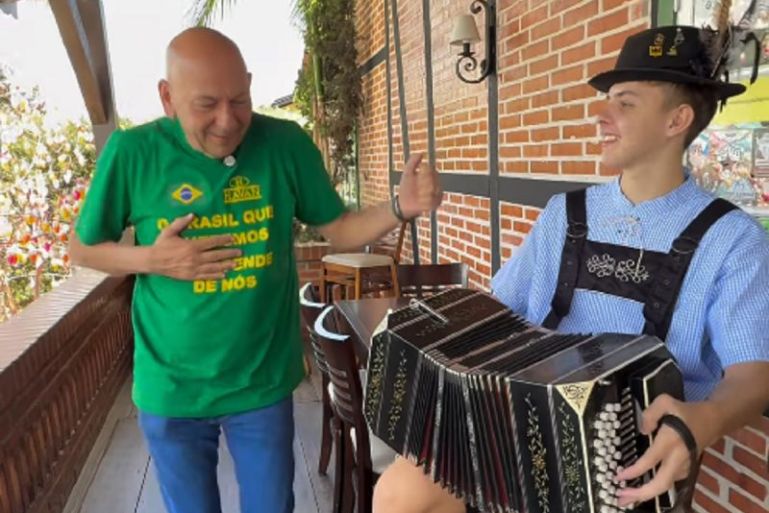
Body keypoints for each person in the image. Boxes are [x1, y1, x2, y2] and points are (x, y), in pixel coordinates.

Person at [372, 25, 769, 513]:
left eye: (624, 102)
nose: (600, 114)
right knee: (397, 493)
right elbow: (496, 307)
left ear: (677, 120)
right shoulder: (565, 213)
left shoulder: (732, 239)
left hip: (627, 467)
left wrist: (702, 421)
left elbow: (754, 375)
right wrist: (432, 328)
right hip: (517, 432)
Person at [69, 27, 442, 513]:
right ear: (167, 97)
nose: (228, 120)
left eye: (239, 99)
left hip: (261, 381)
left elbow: (341, 228)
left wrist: (400, 206)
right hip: (170, 387)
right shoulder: (132, 153)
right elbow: (81, 249)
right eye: (206, 104)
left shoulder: (284, 144)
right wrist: (151, 259)